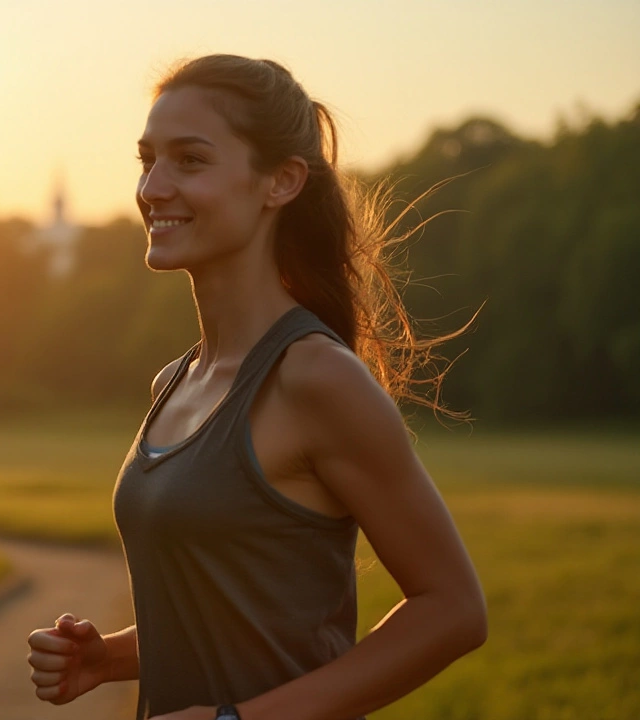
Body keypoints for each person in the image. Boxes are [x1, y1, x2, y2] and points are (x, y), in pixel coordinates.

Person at [25, 55, 487, 720]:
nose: (153, 187)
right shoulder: (174, 381)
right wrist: (115, 658)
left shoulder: (316, 379)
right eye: (147, 159)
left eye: (189, 161)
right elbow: (241, 615)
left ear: (281, 182)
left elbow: (454, 610)